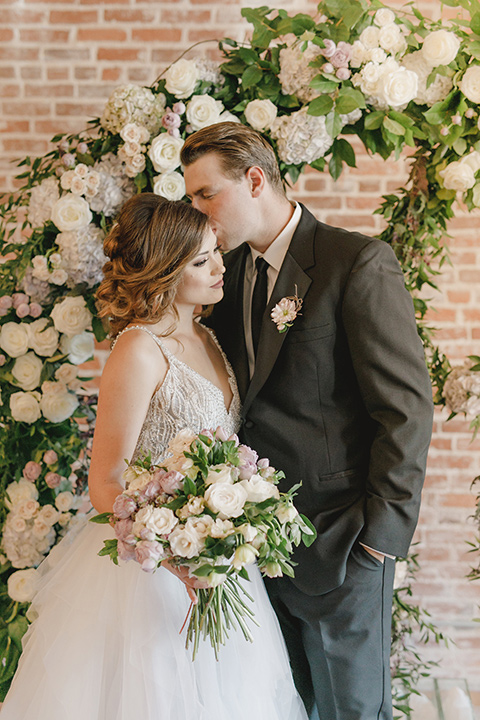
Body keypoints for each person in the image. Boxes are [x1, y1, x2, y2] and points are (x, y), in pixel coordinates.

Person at [0, 193, 308, 720]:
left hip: (214, 561)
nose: (219, 267)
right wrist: (171, 553)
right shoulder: (139, 349)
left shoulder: (209, 336)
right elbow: (105, 481)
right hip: (148, 575)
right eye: (200, 261)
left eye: (216, 252)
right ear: (165, 271)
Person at [181, 123, 434, 720]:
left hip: (343, 546)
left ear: (254, 179)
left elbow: (404, 409)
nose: (197, 212)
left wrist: (379, 542)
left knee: (352, 712)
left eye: (205, 194)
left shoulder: (356, 263)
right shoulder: (225, 274)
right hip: (256, 553)